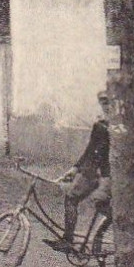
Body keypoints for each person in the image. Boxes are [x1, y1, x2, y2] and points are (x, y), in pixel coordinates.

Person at [49, 91, 112, 252]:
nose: (104, 106)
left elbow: (97, 153)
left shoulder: (104, 125)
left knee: (71, 198)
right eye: (102, 103)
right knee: (101, 205)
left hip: (101, 173)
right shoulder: (109, 124)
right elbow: (90, 150)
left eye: (107, 103)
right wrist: (76, 168)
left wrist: (90, 174)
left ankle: (68, 241)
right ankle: (113, 224)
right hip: (104, 172)